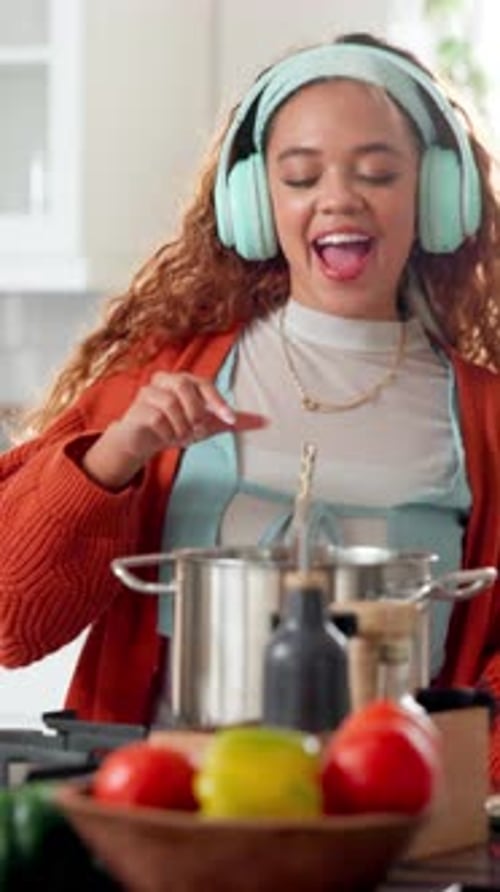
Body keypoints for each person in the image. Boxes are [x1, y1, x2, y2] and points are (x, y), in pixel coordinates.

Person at [2, 31, 500, 782]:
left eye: (377, 172)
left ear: (436, 195)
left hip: (396, 835)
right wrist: (115, 457)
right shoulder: (157, 386)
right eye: (301, 177)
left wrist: (452, 787)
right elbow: (13, 624)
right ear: (253, 205)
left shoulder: (488, 420)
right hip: (174, 829)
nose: (339, 197)